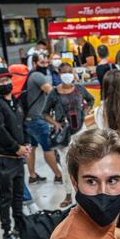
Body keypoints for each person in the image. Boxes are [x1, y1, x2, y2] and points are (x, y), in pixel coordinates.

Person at [0, 67, 33, 239]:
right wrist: (16, 148)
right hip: (2, 158)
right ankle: (7, 231)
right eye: (0, 82)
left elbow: (21, 124)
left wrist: (26, 144)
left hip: (17, 157)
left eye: (7, 80)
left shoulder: (14, 101)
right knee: (6, 196)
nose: (5, 84)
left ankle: (20, 226)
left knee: (19, 194)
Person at [45, 63, 95, 205]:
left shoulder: (79, 89)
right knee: (66, 164)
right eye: (64, 72)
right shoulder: (54, 93)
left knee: (85, 161)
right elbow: (44, 112)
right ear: (59, 74)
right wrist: (55, 123)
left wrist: (86, 111)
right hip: (65, 133)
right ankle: (68, 194)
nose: (67, 75)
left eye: (69, 72)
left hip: (81, 130)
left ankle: (85, 192)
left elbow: (91, 99)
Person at [23, 51, 61, 185]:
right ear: (34, 63)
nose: (45, 65)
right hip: (38, 120)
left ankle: (32, 176)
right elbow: (52, 92)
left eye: (46, 63)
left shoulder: (30, 75)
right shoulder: (38, 75)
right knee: (48, 148)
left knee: (31, 147)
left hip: (28, 119)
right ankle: (58, 175)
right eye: (41, 63)